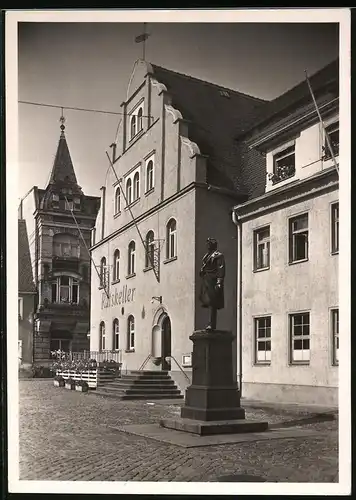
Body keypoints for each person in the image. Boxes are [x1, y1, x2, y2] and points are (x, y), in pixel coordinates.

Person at [199, 238, 225, 330]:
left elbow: (221, 268)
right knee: (208, 302)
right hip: (206, 280)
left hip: (213, 281)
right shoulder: (206, 256)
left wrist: (219, 282)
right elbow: (204, 266)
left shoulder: (218, 255)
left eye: (209, 244)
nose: (207, 245)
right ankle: (209, 323)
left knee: (212, 303)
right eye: (207, 244)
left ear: (213, 245)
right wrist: (202, 271)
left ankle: (211, 324)